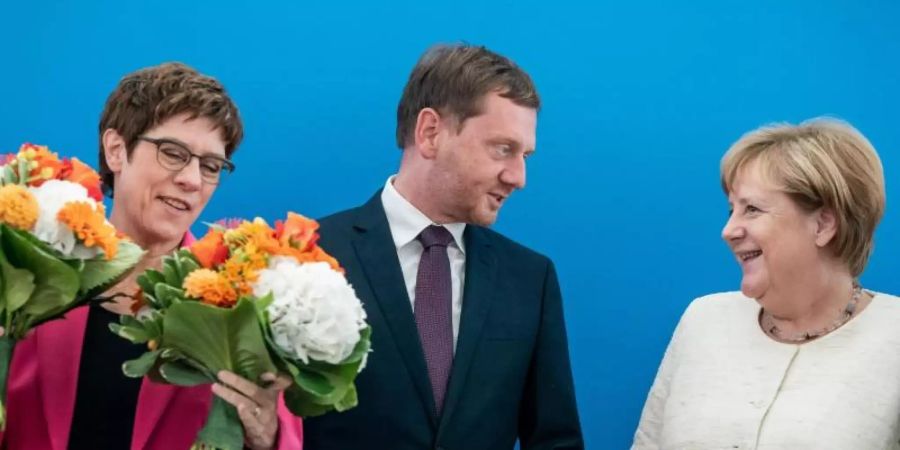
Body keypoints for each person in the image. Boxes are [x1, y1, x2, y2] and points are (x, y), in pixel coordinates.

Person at [3, 62, 302, 450]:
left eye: (211, 166)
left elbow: (284, 440)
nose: (192, 180)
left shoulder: (241, 304)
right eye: (173, 153)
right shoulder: (27, 268)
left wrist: (265, 438)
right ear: (116, 150)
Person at [303, 44, 583, 450]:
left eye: (526, 155)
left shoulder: (530, 279)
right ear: (430, 133)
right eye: (503, 149)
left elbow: (555, 441)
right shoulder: (309, 255)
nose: (518, 176)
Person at [632, 118, 900, 449]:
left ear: (823, 225)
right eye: (732, 210)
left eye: (752, 209)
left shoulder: (893, 336)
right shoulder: (703, 320)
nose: (728, 230)